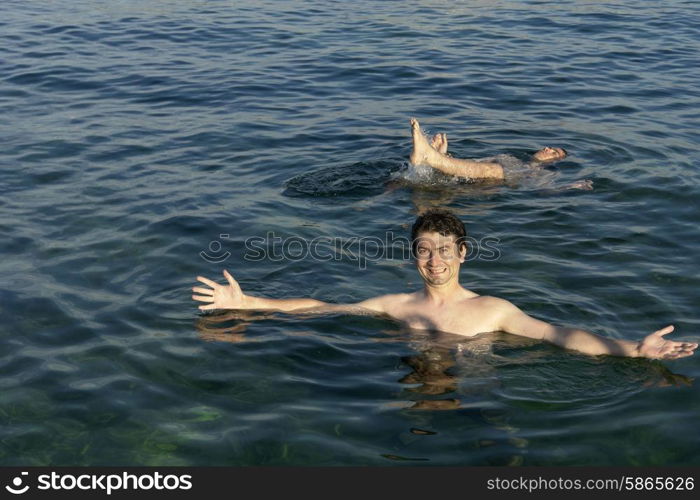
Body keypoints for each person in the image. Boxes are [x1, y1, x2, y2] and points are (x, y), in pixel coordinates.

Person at [192, 209, 697, 360]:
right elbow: (322, 307)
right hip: (412, 377)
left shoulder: (493, 310)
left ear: (463, 253)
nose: (434, 260)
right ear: (414, 257)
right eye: (423, 250)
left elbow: (559, 335)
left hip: (475, 394)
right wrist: (249, 302)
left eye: (443, 249)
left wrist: (633, 349)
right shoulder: (395, 305)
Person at [409, 117, 568, 180]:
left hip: (485, 187)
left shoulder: (541, 171)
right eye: (550, 146)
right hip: (466, 179)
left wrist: (571, 187)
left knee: (494, 169)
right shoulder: (513, 158)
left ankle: (431, 157)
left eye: (554, 152)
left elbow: (547, 192)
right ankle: (439, 158)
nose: (548, 148)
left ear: (555, 161)